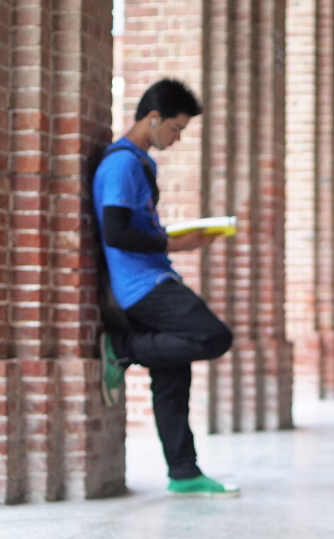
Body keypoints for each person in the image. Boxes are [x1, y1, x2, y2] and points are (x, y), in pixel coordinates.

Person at [93, 78, 238, 498]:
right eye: (175, 128)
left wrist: (182, 237)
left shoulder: (143, 163)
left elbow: (138, 227)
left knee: (173, 378)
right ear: (153, 118)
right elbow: (117, 232)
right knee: (212, 336)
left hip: (156, 274)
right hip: (142, 285)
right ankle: (122, 349)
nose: (177, 139)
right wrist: (176, 242)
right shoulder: (121, 164)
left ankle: (184, 472)